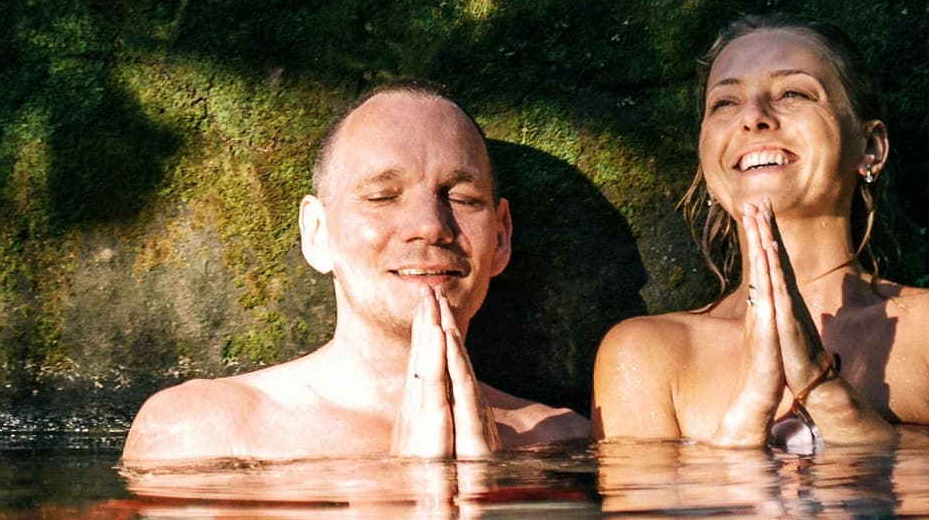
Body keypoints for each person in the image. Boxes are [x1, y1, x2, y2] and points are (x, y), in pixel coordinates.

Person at [593, 20, 929, 449]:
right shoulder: (647, 355)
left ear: (870, 147)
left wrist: (825, 391)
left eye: (793, 92)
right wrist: (750, 407)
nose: (753, 117)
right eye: (725, 103)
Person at [123, 85, 594, 463]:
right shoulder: (204, 432)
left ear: (501, 237)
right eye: (383, 196)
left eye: (462, 198)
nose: (430, 225)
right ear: (317, 233)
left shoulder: (563, 441)